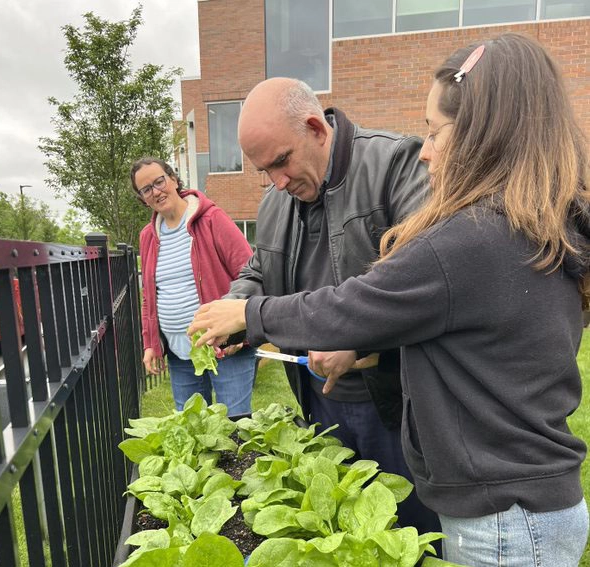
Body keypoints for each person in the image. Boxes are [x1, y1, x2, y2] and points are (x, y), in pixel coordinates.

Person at [190, 33, 590, 566]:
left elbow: (355, 305)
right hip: (521, 501)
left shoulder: (468, 239)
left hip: (504, 517)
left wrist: (248, 313)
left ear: (482, 133)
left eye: (434, 131)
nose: (424, 149)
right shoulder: (525, 222)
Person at [223, 77, 441, 536]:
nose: (276, 182)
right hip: (317, 398)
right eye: (264, 170)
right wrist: (234, 305)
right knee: (338, 535)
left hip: (395, 403)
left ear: (316, 129)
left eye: (281, 161)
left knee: (408, 532)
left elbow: (417, 280)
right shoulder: (275, 200)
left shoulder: (396, 163)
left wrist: (357, 338)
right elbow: (260, 269)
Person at [132, 157, 256, 416]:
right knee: (191, 431)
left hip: (224, 348)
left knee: (234, 428)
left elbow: (250, 272)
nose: (156, 192)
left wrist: (238, 333)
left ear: (174, 180)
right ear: (142, 198)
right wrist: (150, 343)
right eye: (146, 189)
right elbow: (149, 297)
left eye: (159, 181)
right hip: (180, 354)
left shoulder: (212, 219)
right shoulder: (148, 236)